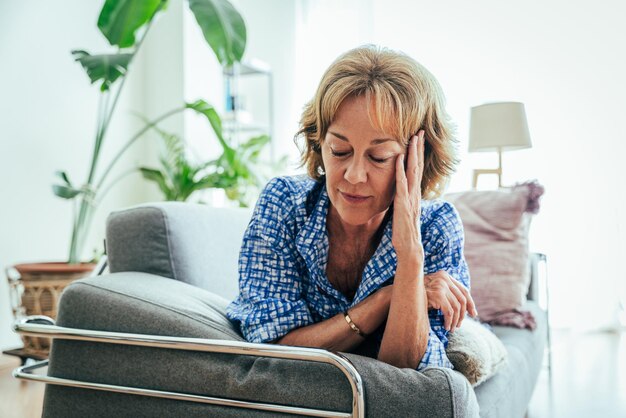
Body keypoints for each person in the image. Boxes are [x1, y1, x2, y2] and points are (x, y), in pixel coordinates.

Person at [226, 45, 478, 371]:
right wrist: (384, 300)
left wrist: (410, 259)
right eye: (340, 150)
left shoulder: (436, 228)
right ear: (320, 142)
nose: (354, 176)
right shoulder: (285, 204)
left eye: (379, 157)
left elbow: (406, 380)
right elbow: (271, 346)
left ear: (420, 158)